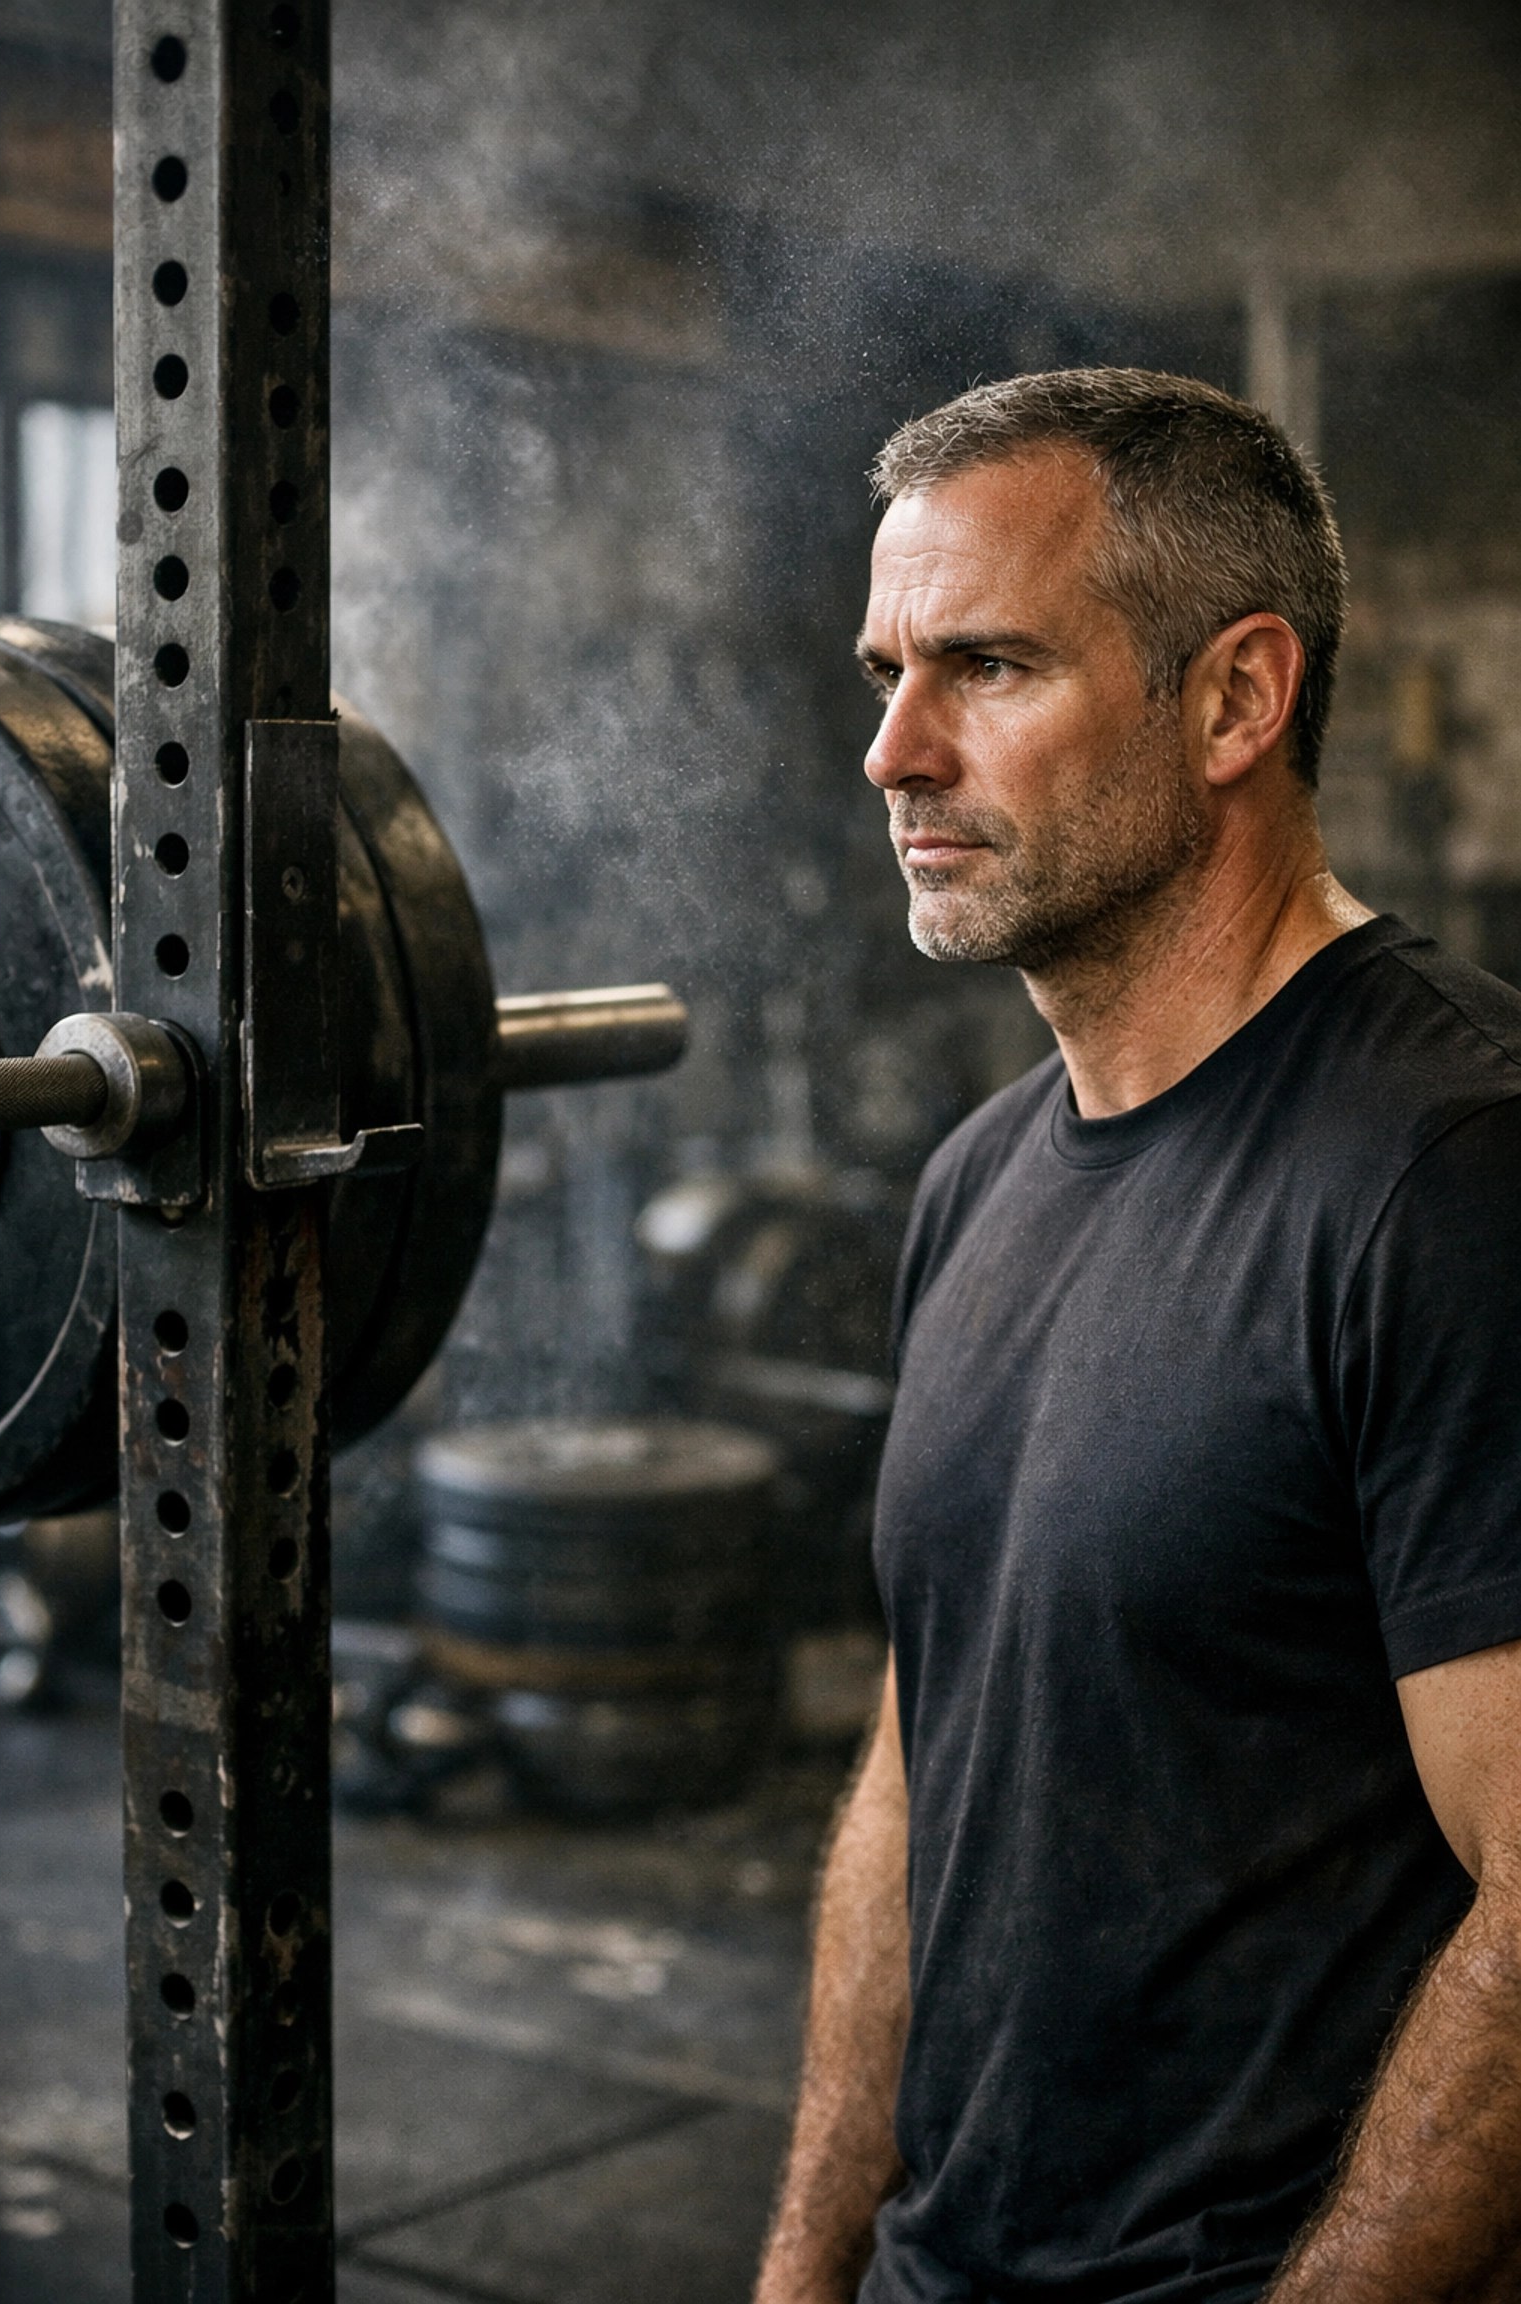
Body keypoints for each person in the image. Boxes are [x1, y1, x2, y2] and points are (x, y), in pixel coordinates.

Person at [753, 368, 1521, 2304]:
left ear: (1236, 701)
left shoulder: (1446, 1175)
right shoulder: (975, 1180)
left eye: (988, 667)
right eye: (887, 674)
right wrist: (808, 2265)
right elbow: (923, 1767)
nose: (895, 753)